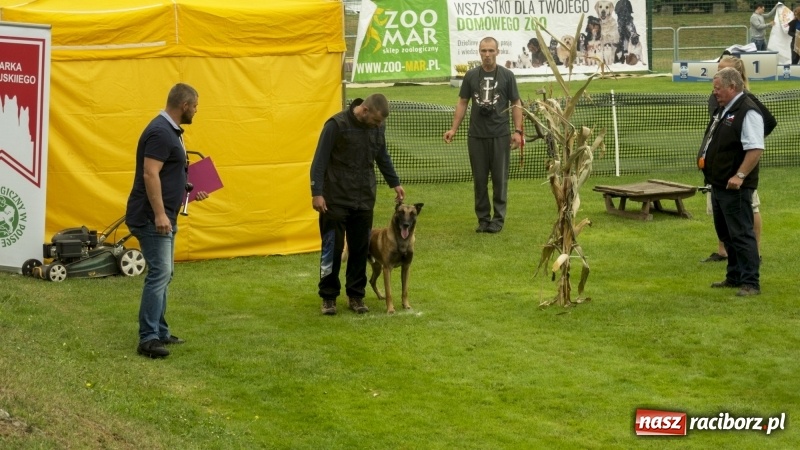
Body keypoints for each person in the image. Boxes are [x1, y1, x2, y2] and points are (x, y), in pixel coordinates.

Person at [126, 83, 209, 358]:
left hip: (164, 214)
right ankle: (148, 338)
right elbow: (151, 174)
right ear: (184, 105)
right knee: (160, 273)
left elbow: (168, 175)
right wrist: (160, 214)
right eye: (195, 106)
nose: (196, 111)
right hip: (152, 217)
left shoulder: (171, 132)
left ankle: (159, 331)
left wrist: (190, 192)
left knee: (165, 273)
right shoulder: (161, 132)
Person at [310, 94, 405, 315]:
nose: (379, 125)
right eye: (376, 121)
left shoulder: (378, 128)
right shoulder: (336, 125)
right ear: (364, 110)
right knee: (331, 250)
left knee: (360, 249)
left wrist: (395, 183)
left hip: (364, 199)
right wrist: (317, 193)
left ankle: (356, 296)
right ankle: (328, 297)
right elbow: (319, 160)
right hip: (334, 199)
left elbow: (382, 156)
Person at [443, 37, 524, 234]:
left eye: (490, 51)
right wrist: (453, 129)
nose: (487, 55)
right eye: (483, 51)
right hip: (476, 136)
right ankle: (483, 219)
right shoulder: (471, 76)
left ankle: (498, 219)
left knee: (499, 179)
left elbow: (516, 103)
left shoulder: (507, 75)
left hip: (500, 134)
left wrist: (518, 131)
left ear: (497, 52)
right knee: (479, 180)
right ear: (479, 52)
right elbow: (463, 102)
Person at [701, 55, 775, 263]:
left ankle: (754, 254)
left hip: (738, 171)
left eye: (723, 70)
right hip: (719, 172)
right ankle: (724, 250)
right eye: (717, 69)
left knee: (750, 209)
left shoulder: (746, 101)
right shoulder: (718, 96)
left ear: (734, 78)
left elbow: (767, 122)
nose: (717, 75)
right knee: (722, 218)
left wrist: (746, 143)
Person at [698, 67, 764, 296]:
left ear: (732, 87)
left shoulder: (748, 111)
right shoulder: (725, 108)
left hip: (735, 186)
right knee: (726, 233)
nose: (714, 93)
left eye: (718, 88)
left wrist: (740, 175)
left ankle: (750, 282)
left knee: (742, 233)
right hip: (718, 184)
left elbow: (755, 148)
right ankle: (734, 276)